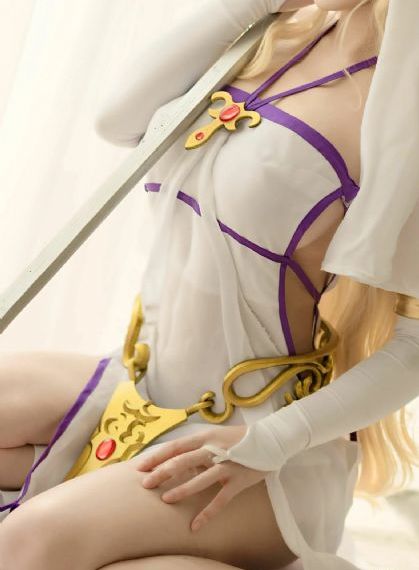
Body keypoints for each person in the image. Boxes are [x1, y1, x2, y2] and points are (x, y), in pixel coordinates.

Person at [0, 1, 418, 569]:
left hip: (257, 439)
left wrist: (268, 443)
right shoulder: (279, 33)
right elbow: (117, 121)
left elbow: (414, 348)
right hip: (135, 383)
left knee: (31, 539)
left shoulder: (405, 111)